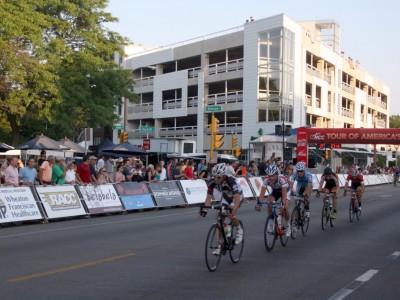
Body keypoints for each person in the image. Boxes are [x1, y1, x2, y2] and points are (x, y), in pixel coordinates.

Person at [200, 163, 244, 254]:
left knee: (230, 213)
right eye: (214, 176)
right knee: (219, 218)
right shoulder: (212, 183)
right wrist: (205, 210)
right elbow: (208, 198)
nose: (216, 179)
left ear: (224, 176)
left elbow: (237, 199)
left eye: (218, 177)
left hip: (237, 196)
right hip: (226, 196)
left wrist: (233, 211)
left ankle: (239, 229)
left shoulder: (230, 181)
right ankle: (219, 245)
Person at [256, 164, 291, 237]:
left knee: (284, 208)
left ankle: (288, 224)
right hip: (275, 191)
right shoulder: (266, 180)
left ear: (277, 174)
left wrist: (282, 204)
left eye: (273, 176)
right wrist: (259, 204)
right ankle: (271, 221)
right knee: (269, 202)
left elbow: (284, 195)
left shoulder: (282, 179)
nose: (271, 178)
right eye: (269, 176)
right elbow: (262, 194)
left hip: (285, 191)